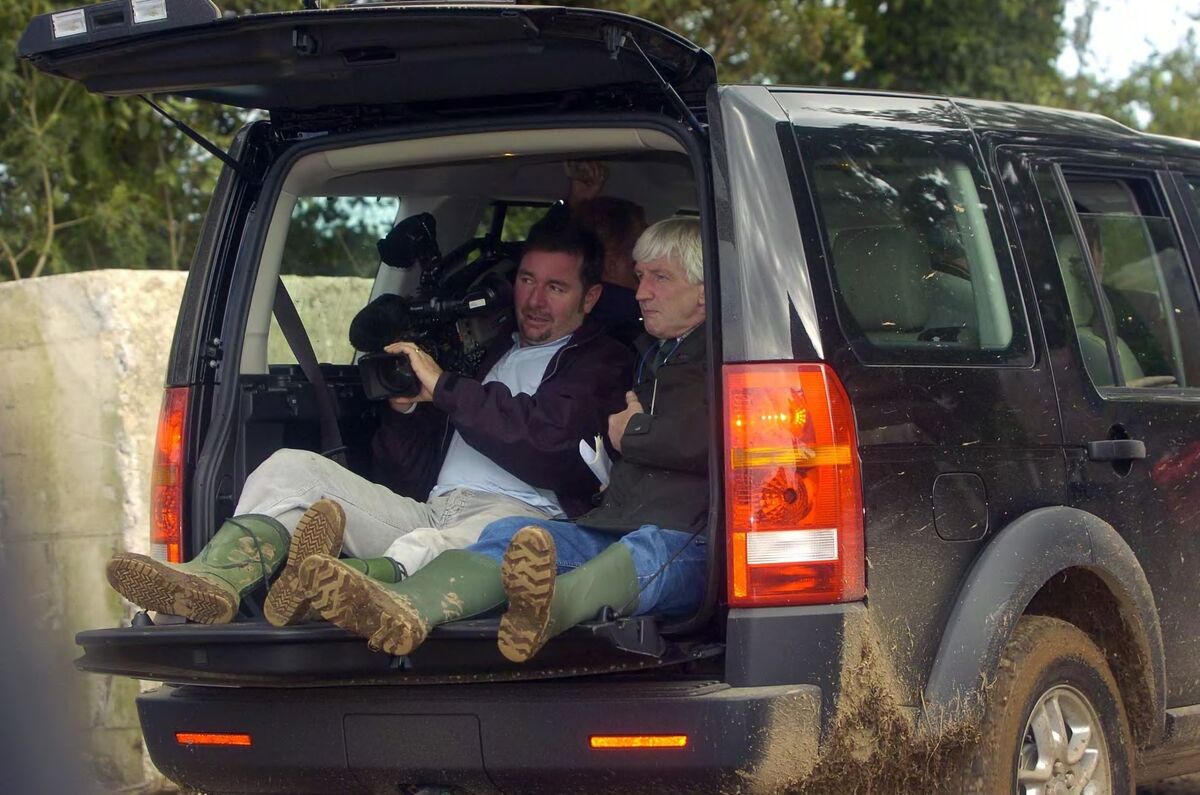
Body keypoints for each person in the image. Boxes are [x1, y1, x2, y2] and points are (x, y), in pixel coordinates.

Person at [105, 217, 634, 627]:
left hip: (523, 522)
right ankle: (212, 584)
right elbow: (403, 477)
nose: (535, 300)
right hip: (432, 510)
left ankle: (326, 592)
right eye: (526, 279)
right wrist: (405, 414)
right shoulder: (489, 350)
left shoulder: (602, 361)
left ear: (590, 297)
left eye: (556, 288)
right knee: (290, 471)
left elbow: (545, 440)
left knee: (444, 545)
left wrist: (444, 386)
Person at [298, 217, 708, 662]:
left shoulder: (718, 353)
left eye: (660, 278)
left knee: (642, 548)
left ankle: (546, 613)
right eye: (640, 276)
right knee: (513, 536)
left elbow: (717, 441)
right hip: (605, 523)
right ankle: (394, 603)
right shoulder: (653, 354)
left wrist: (636, 434)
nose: (641, 292)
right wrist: (407, 410)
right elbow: (407, 472)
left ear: (706, 292)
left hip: (682, 537)